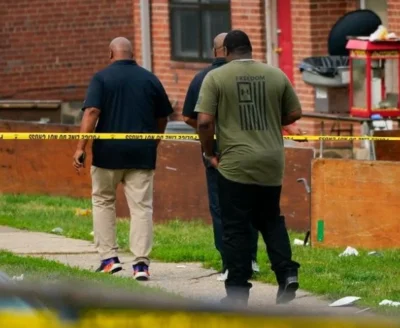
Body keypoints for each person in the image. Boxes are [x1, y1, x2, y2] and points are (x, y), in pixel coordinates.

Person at [195, 30, 301, 306]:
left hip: (235, 164)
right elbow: (294, 113)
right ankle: (287, 273)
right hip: (271, 162)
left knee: (235, 227)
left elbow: (204, 122)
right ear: (250, 49)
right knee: (270, 219)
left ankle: (238, 292)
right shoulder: (276, 74)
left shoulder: (216, 77)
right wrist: (267, 116)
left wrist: (210, 153)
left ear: (226, 51)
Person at [73, 37, 173, 281]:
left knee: (104, 201)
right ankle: (141, 265)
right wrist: (154, 141)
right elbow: (163, 117)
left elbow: (92, 111)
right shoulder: (150, 79)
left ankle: (109, 259)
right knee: (141, 208)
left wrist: (80, 147)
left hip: (108, 154)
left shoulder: (102, 78)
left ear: (111, 53)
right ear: (132, 54)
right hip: (142, 153)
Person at [182, 33, 260, 281]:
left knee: (221, 206)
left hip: (216, 151)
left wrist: (209, 140)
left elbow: (189, 117)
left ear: (216, 50)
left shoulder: (201, 78)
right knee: (249, 203)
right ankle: (251, 258)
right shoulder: (252, 74)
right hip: (250, 147)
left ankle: (229, 262)